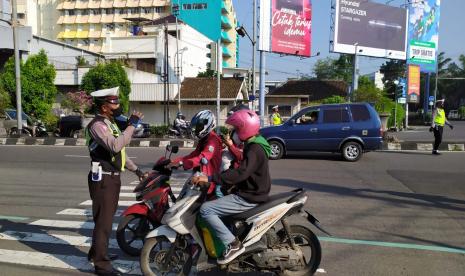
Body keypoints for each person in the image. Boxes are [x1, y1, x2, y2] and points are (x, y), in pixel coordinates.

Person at [192, 109, 272, 265]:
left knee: (206, 210)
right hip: (251, 191)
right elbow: (243, 172)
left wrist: (210, 178)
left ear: (244, 128)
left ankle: (233, 244)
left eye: (237, 128)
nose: (234, 132)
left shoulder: (254, 148)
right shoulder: (255, 143)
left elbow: (241, 172)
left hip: (250, 196)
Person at [85, 87, 146, 276]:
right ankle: (101, 265)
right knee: (104, 222)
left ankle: (96, 253)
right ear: (104, 107)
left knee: (104, 220)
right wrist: (132, 124)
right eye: (115, 103)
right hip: (103, 178)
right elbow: (116, 145)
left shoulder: (109, 123)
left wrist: (137, 170)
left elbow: (119, 154)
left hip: (111, 178)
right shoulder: (97, 125)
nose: (118, 106)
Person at [169, 110, 222, 196]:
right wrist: (175, 161)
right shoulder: (205, 139)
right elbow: (195, 154)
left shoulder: (213, 140)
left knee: (189, 205)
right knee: (182, 196)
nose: (197, 129)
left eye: (199, 127)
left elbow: (202, 157)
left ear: (207, 125)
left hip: (207, 180)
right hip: (198, 176)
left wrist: (182, 163)